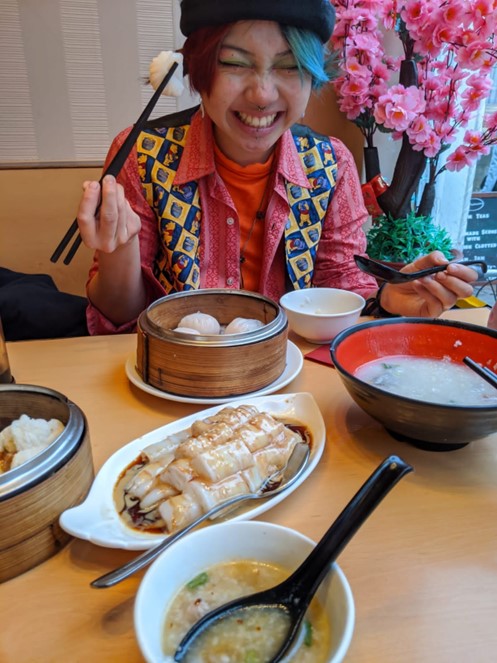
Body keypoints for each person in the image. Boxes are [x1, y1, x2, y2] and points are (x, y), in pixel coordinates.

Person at [77, 0, 478, 335]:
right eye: (235, 63)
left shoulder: (330, 164)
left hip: (286, 384)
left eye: (289, 67)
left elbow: (341, 290)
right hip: (178, 375)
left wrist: (390, 300)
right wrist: (120, 249)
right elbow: (119, 320)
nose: (262, 95)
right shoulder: (144, 153)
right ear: (198, 72)